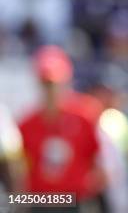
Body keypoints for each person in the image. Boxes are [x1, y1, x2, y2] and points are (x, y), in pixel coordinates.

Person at [18, 46, 106, 212]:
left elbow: (102, 163)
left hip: (77, 202)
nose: (51, 90)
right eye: (46, 84)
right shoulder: (26, 124)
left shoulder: (86, 116)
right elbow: (21, 171)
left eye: (55, 83)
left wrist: (88, 192)